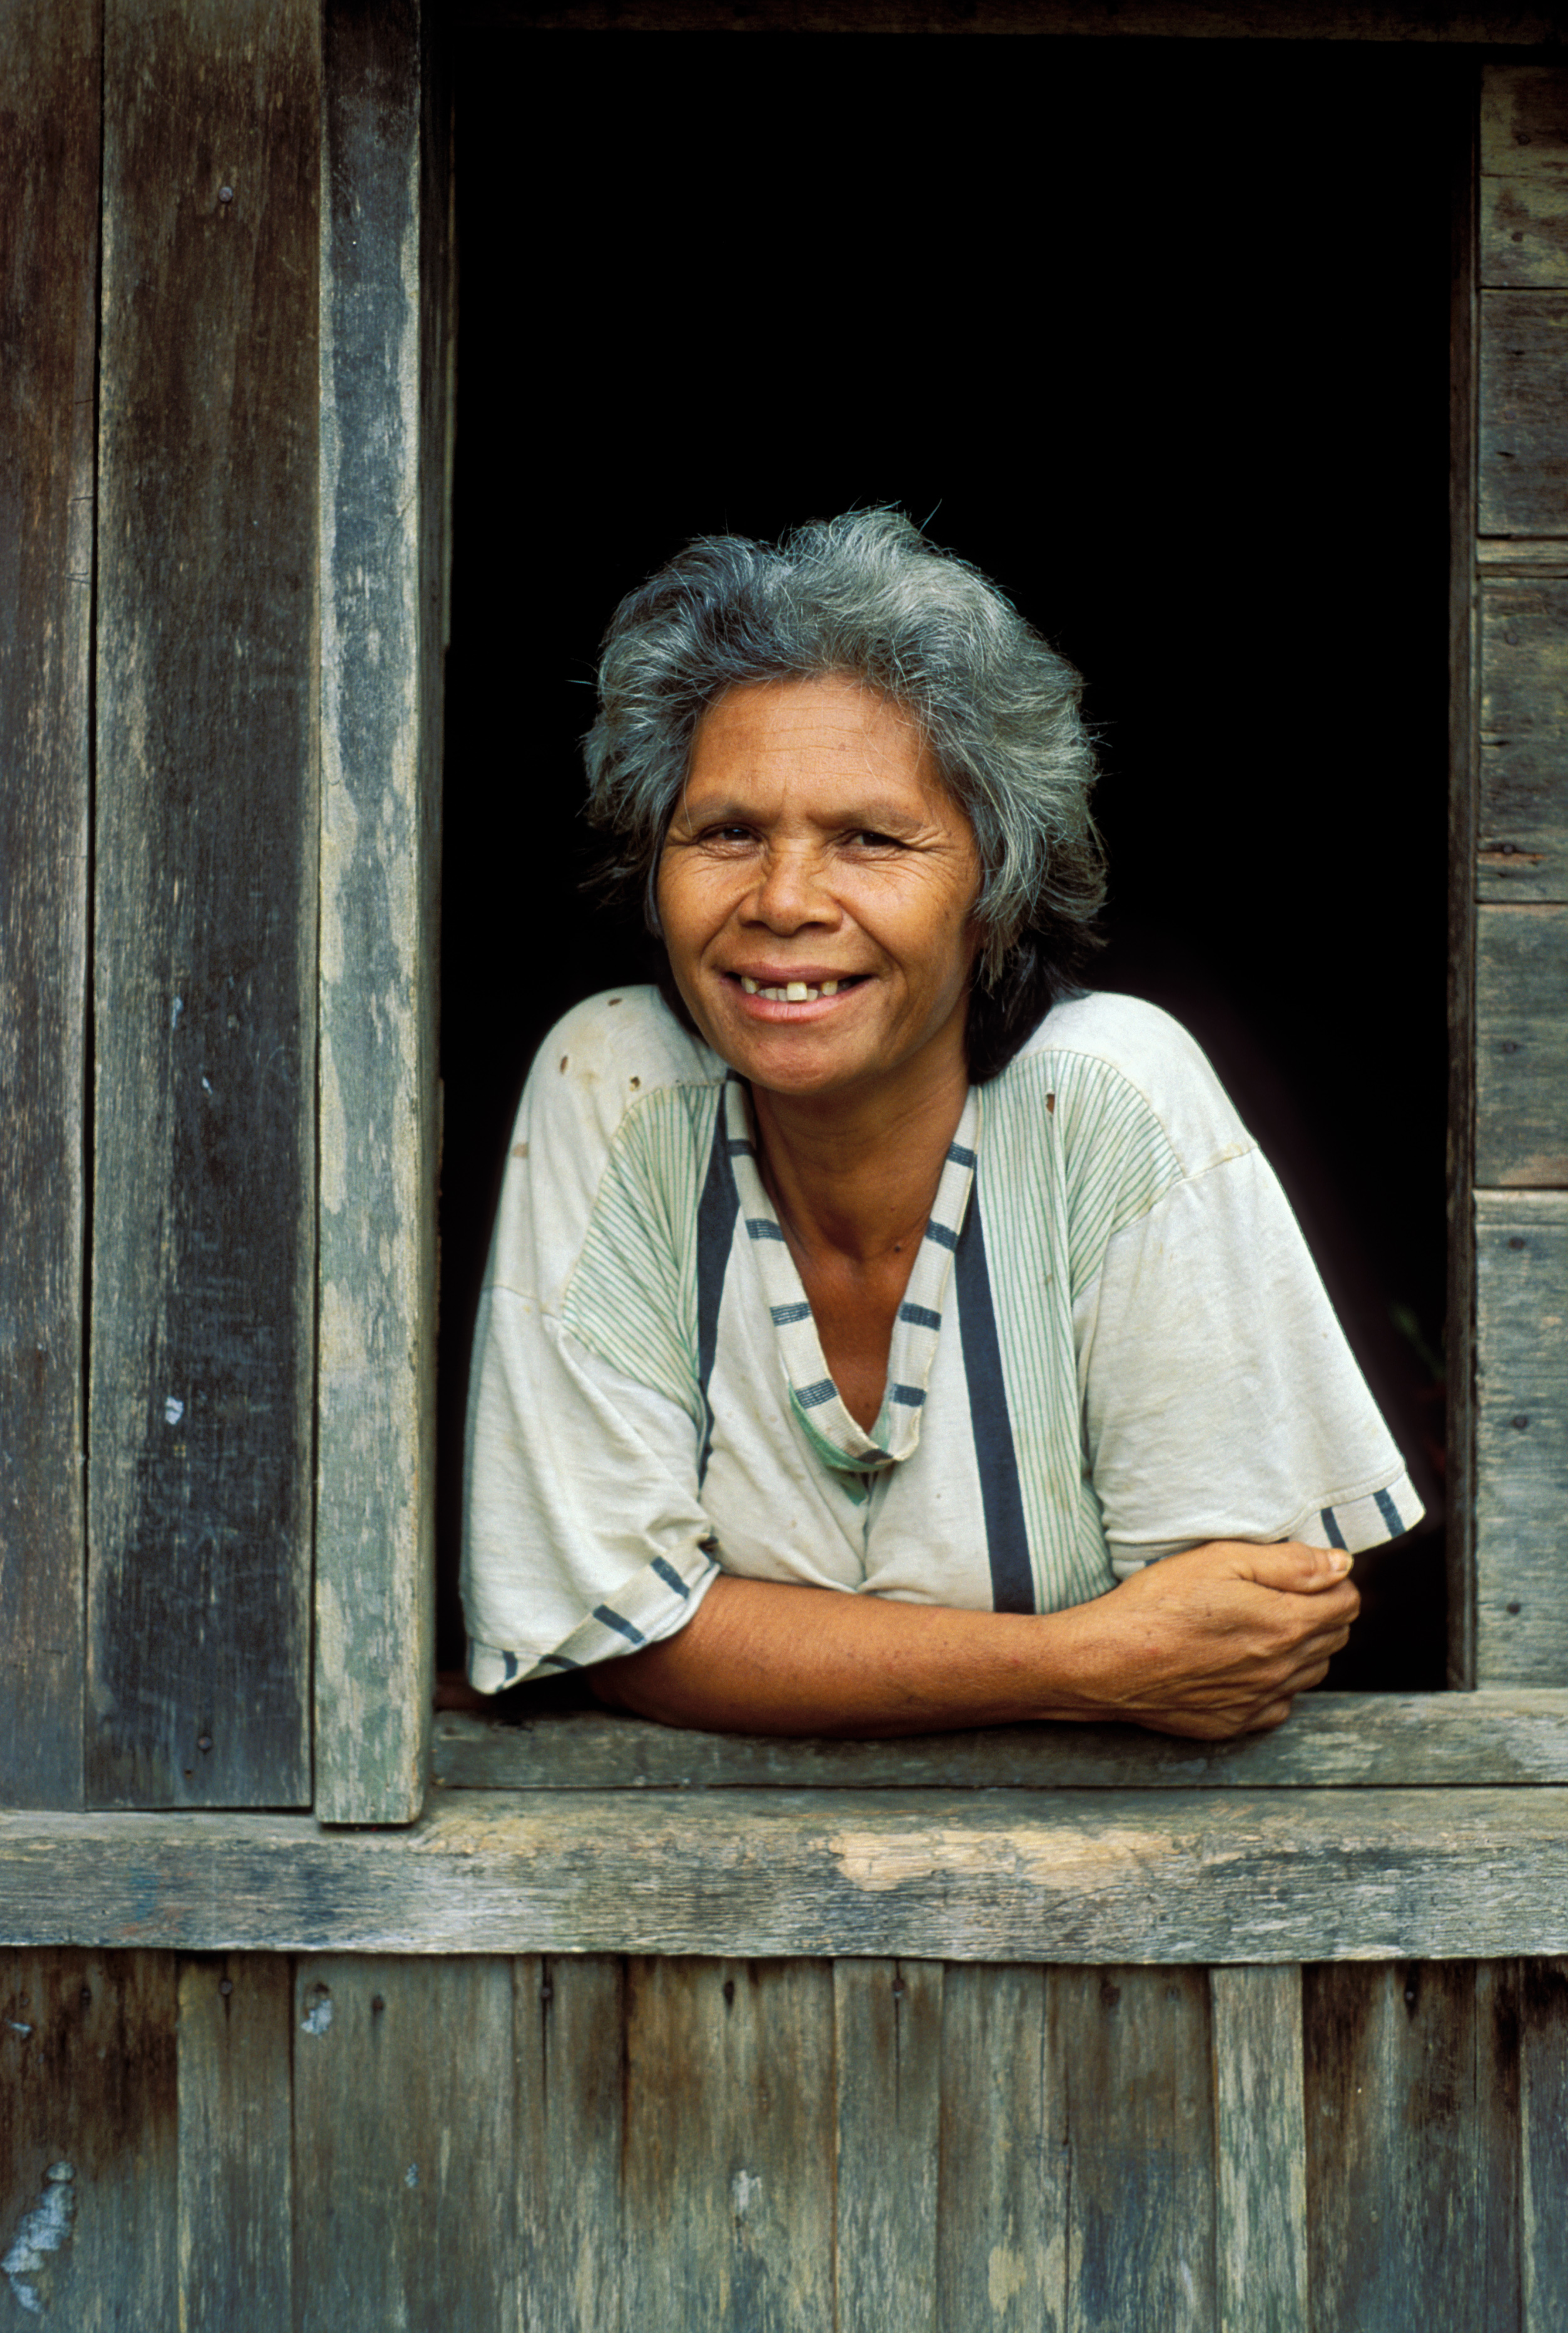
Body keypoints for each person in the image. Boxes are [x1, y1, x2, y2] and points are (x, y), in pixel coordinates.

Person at [463, 511, 1419, 1741]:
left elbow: (1235, 1638)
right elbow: (621, 1630)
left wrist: (738, 1636)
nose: (786, 900)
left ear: (996, 890)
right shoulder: (621, 1086)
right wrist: (1081, 1661)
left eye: (869, 838)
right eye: (726, 832)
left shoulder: (1108, 1099)